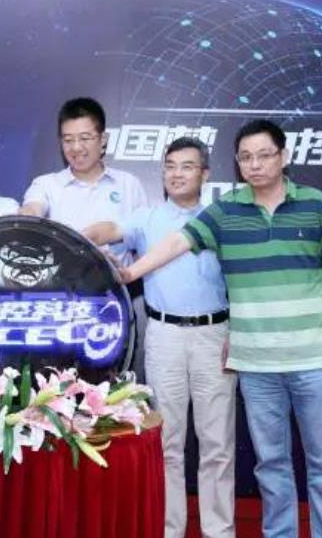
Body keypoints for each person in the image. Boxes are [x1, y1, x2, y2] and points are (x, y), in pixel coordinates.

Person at [120, 119, 322, 538]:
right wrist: (130, 273)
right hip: (257, 364)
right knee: (272, 466)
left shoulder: (317, 204)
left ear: (284, 157)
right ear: (236, 163)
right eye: (246, 157)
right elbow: (177, 242)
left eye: (264, 155)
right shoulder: (226, 210)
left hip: (315, 358)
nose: (255, 164)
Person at [84, 137, 236, 538]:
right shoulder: (146, 218)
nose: (176, 174)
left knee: (217, 443)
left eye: (187, 166)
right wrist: (82, 235)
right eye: (170, 166)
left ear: (205, 173)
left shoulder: (222, 219)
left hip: (214, 335)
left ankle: (220, 531)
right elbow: (109, 229)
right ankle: (171, 530)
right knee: (167, 441)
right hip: (164, 335)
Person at [19, 97, 149, 376]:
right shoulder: (47, 184)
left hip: (113, 305)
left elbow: (144, 242)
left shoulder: (129, 185)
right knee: (56, 387)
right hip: (58, 308)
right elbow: (32, 209)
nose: (76, 148)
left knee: (113, 389)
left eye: (85, 138)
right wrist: (28, 218)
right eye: (68, 140)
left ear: (103, 140)